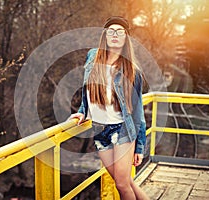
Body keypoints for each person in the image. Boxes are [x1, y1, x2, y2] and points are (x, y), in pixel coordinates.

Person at [69, 16, 149, 200]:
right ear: (105, 36)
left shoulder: (132, 71)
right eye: (111, 31)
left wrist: (139, 147)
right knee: (125, 181)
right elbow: (88, 90)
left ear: (125, 38)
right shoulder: (92, 56)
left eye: (120, 32)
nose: (115, 35)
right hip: (100, 129)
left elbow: (138, 113)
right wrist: (82, 111)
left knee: (122, 184)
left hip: (122, 129)